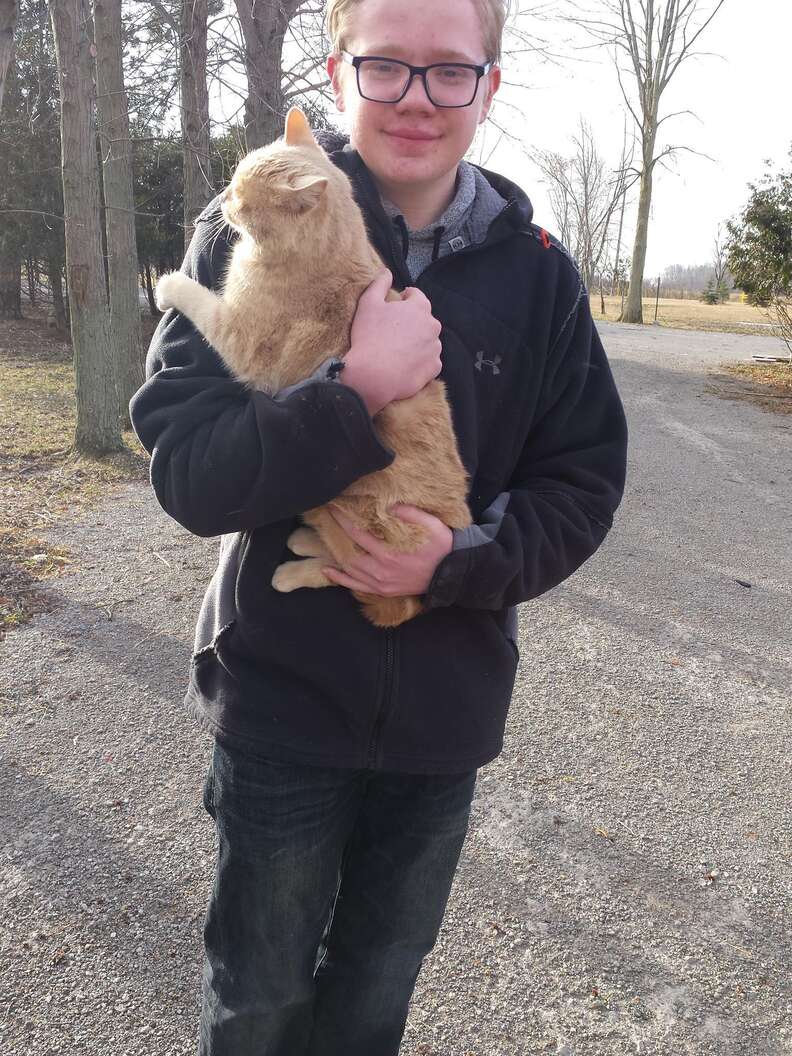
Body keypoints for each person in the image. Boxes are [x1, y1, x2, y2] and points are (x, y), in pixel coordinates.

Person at [129, 0, 628, 1051]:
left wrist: (460, 561)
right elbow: (191, 477)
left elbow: (581, 483)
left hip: (443, 717)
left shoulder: (537, 273)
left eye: (450, 71)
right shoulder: (248, 225)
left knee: (372, 1000)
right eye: (387, 65)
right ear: (338, 68)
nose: (416, 97)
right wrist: (353, 393)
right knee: (257, 997)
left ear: (490, 86)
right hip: (279, 706)